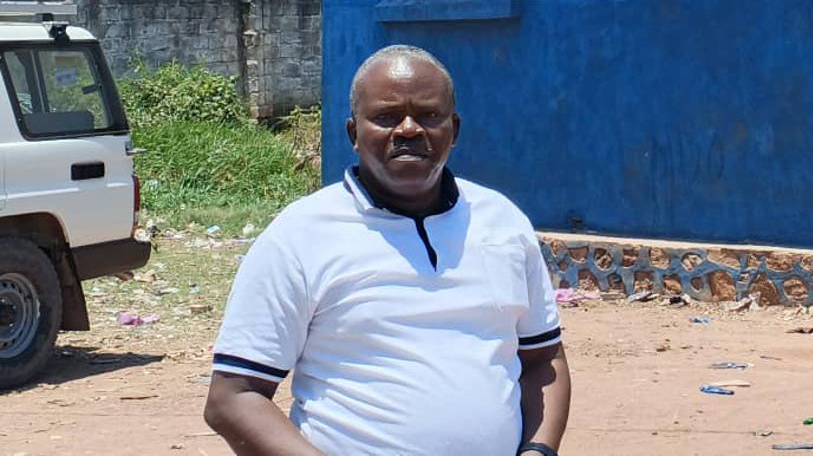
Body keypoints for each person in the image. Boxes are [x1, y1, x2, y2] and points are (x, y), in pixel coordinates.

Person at [203, 45, 570, 456]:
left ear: (455, 129)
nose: (409, 129)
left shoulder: (503, 223)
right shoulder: (300, 235)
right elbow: (232, 398)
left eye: (429, 115)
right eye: (386, 117)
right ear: (353, 134)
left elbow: (543, 360)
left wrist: (539, 452)